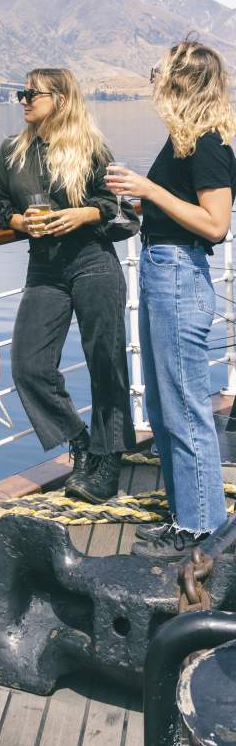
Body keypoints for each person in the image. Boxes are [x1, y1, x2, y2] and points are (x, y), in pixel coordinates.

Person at [0, 68, 138, 503]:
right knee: (28, 366)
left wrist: (81, 214)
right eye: (21, 93)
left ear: (62, 100)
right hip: (45, 271)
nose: (24, 100)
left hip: (93, 262)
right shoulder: (12, 152)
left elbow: (120, 211)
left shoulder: (90, 149)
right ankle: (81, 443)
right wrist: (18, 221)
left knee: (105, 362)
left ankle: (108, 462)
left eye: (33, 93)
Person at [106, 41, 236, 559]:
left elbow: (216, 224)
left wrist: (151, 192)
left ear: (183, 82)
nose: (155, 78)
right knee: (164, 408)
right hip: (165, 270)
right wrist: (145, 197)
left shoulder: (207, 143)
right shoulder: (185, 141)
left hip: (179, 275)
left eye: (161, 71)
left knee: (184, 410)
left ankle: (202, 532)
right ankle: (189, 516)